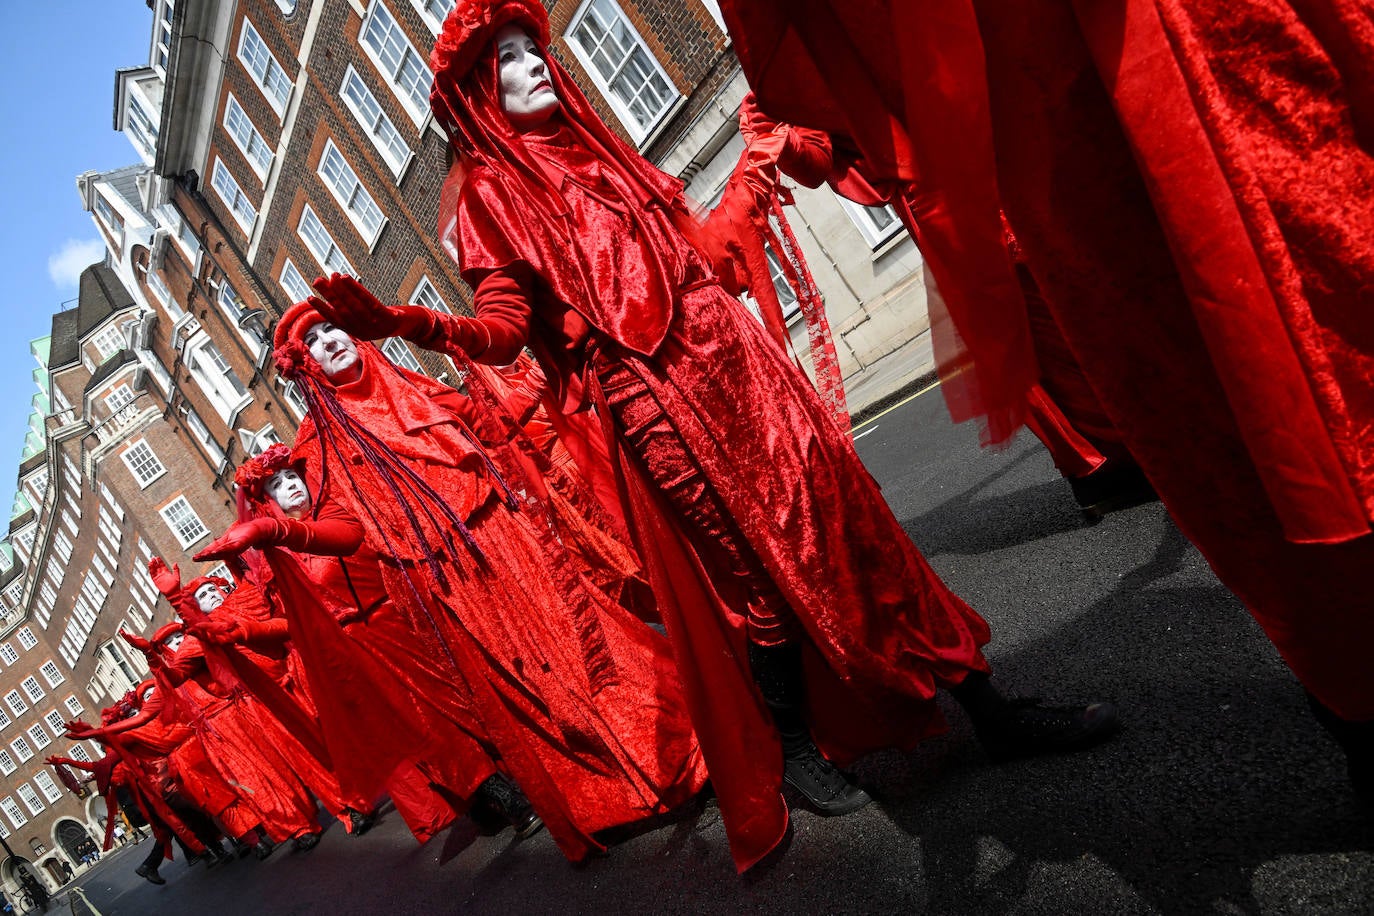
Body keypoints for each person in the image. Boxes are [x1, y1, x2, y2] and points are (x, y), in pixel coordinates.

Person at [308, 0, 1119, 873]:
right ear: (477, 93)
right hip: (654, 398)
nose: (534, 65)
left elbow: (696, 250)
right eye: (506, 60)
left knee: (851, 523)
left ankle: (988, 707)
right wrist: (408, 323)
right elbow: (505, 329)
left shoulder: (604, 154)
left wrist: (752, 169)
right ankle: (796, 741)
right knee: (760, 579)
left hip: (736, 360)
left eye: (531, 49)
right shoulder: (491, 201)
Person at [717, 0, 1374, 811]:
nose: (534, 70)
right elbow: (823, 124)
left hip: (1047, 119)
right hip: (1013, 134)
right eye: (508, 63)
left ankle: (1116, 482)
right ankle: (1104, 478)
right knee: (1140, 353)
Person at [204, 304, 708, 863]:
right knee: (535, 685)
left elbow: (491, 422)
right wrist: (275, 529)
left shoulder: (410, 386)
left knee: (588, 643)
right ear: (309, 370)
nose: (328, 344)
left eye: (331, 331)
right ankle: (617, 785)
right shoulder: (318, 445)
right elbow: (350, 531)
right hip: (446, 577)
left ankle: (674, 745)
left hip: (507, 538)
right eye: (314, 344)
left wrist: (549, 361)